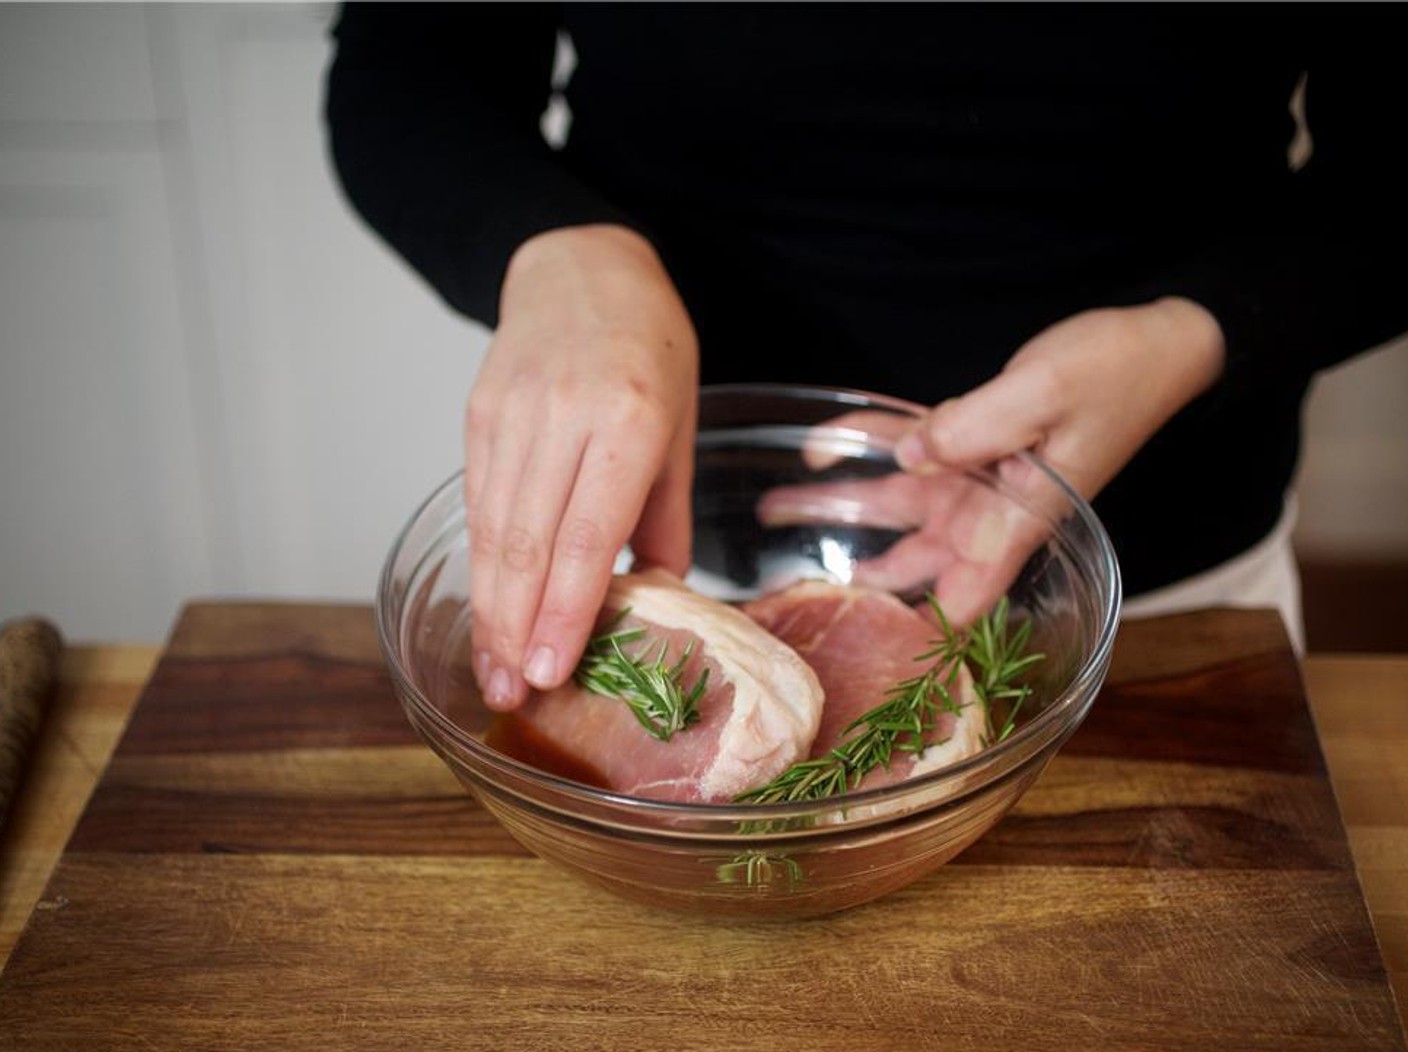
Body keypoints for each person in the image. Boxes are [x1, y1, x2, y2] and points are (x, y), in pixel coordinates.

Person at [324, 4, 1405, 710]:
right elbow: (412, 58)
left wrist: (1196, 331)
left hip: (1166, 589)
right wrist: (553, 248)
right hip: (670, 573)